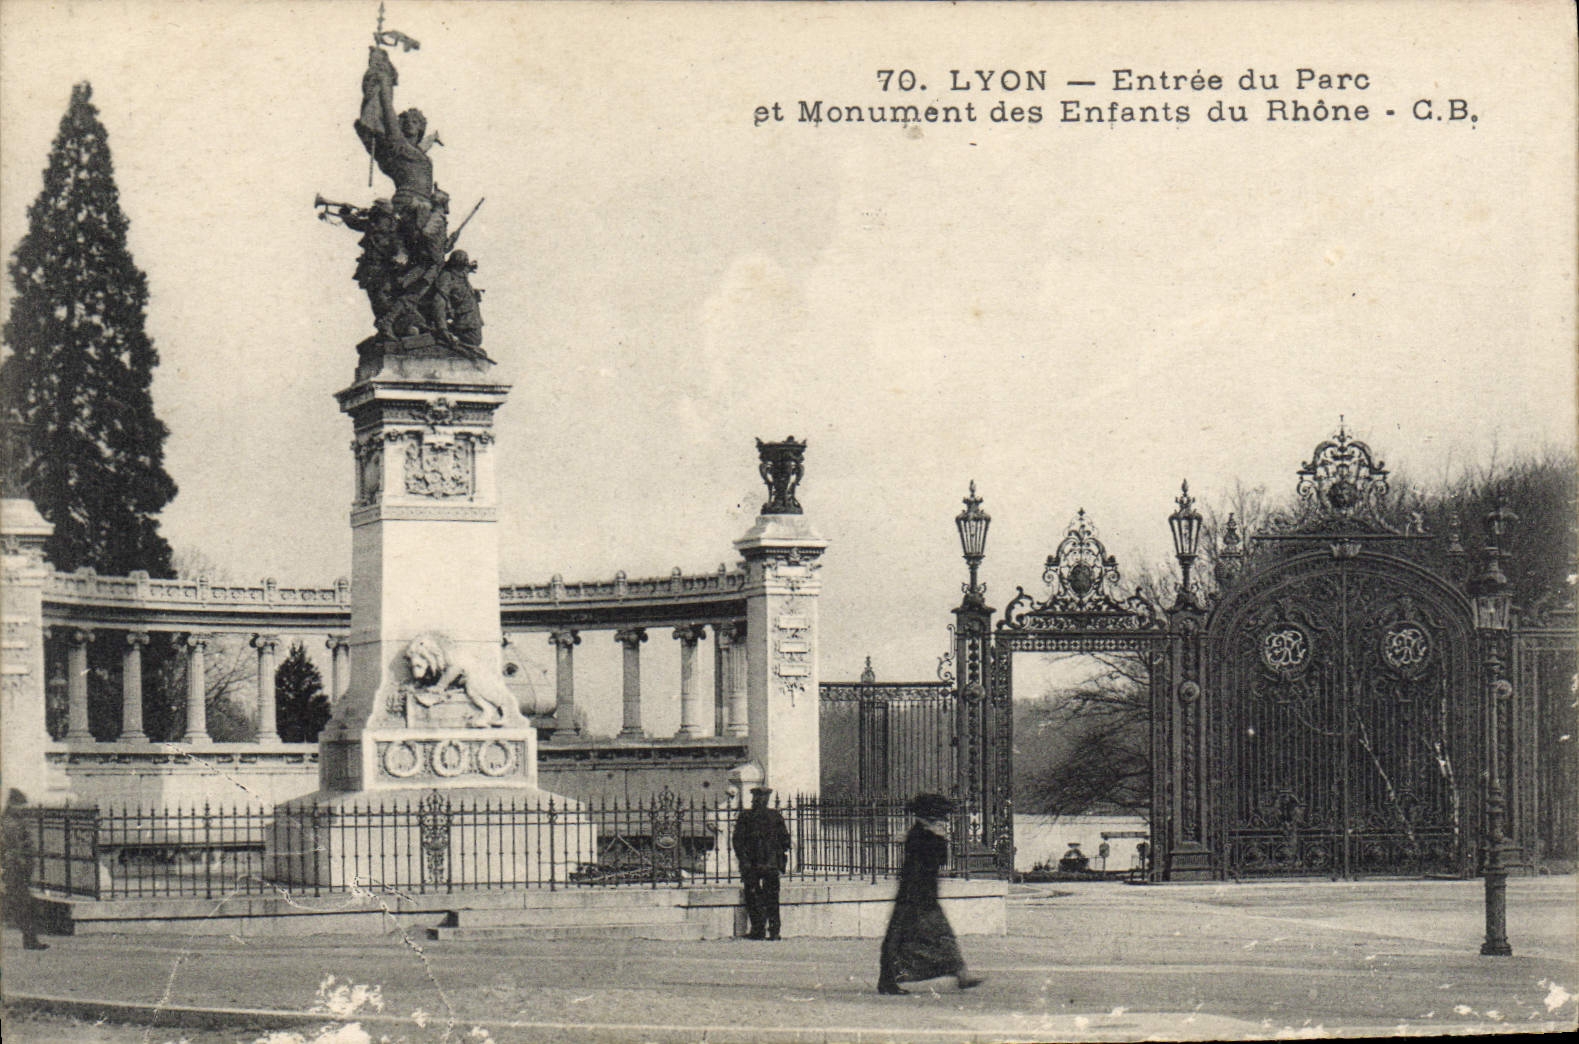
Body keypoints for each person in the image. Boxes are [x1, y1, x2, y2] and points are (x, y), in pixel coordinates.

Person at [878, 793, 982, 994]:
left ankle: (961, 974)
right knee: (925, 937)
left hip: (917, 895)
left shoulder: (920, 833)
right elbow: (937, 861)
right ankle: (890, 979)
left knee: (920, 936)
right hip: (919, 897)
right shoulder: (924, 835)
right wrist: (940, 839)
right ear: (931, 817)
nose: (943, 820)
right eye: (940, 816)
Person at [732, 786, 790, 940]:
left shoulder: (746, 816)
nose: (758, 800)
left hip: (754, 864)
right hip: (767, 863)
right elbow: (785, 840)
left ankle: (759, 930)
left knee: (754, 896)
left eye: (759, 798)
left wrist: (743, 859)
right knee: (770, 898)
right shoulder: (774, 816)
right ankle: (773, 930)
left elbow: (737, 841)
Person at [2, 789, 47, 950]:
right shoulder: (10, 823)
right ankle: (30, 940)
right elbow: (15, 848)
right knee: (22, 905)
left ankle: (30, 939)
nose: (23, 808)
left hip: (17, 869)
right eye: (20, 805)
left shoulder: (13, 821)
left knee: (20, 905)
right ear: (13, 805)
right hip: (15, 869)